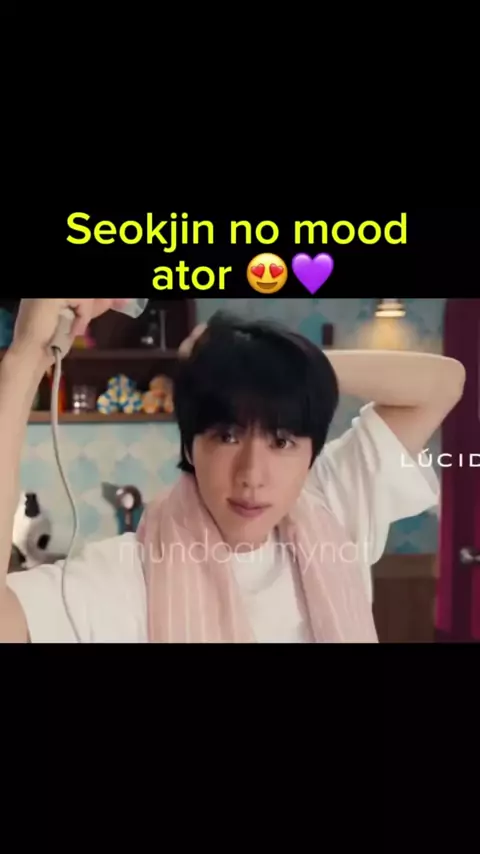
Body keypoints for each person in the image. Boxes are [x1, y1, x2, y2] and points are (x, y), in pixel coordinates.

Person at [0, 298, 466, 643]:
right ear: (190, 445)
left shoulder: (333, 506)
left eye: (281, 442)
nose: (252, 475)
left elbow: (445, 383)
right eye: (226, 436)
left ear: (311, 453)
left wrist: (284, 372)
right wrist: (22, 362)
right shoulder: (126, 575)